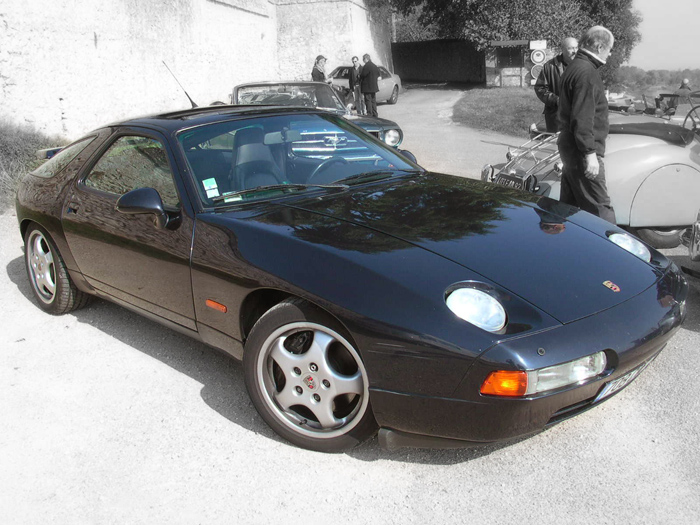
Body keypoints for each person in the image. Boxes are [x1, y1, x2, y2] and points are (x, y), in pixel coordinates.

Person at [557, 26, 616, 224]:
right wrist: (590, 154)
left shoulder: (574, 67)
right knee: (601, 212)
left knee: (568, 210)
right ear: (599, 47)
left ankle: (564, 250)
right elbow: (582, 118)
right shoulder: (587, 73)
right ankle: (612, 254)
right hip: (582, 151)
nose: (610, 53)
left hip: (570, 146)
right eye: (609, 48)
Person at [534, 37, 578, 133]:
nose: (574, 51)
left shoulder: (582, 66)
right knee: (555, 145)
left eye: (576, 48)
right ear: (562, 49)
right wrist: (557, 100)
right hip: (556, 116)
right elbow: (540, 88)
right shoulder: (550, 66)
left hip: (578, 114)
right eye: (570, 48)